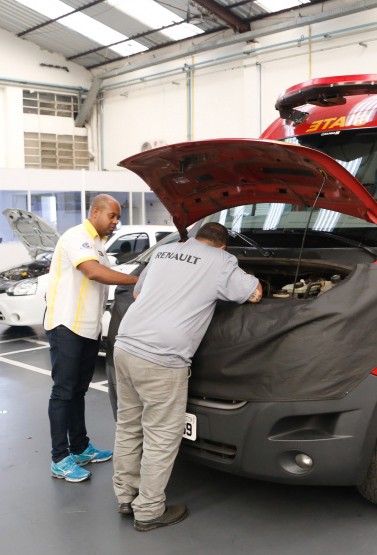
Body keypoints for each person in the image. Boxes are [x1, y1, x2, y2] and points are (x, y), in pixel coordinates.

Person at [112, 222, 262, 532]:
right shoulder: (221, 261)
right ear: (222, 246)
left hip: (124, 345)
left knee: (128, 425)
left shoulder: (165, 251)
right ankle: (150, 511)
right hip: (162, 358)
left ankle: (126, 496)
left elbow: (139, 293)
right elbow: (255, 294)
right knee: (161, 436)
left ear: (196, 238)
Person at [45, 194, 139, 483]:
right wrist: (140, 281)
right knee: (64, 391)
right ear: (95, 212)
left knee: (78, 391)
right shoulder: (77, 237)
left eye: (117, 217)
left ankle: (81, 447)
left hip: (87, 328)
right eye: (111, 216)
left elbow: (104, 270)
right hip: (67, 326)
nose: (115, 222)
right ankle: (60, 458)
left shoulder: (98, 244)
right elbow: (94, 272)